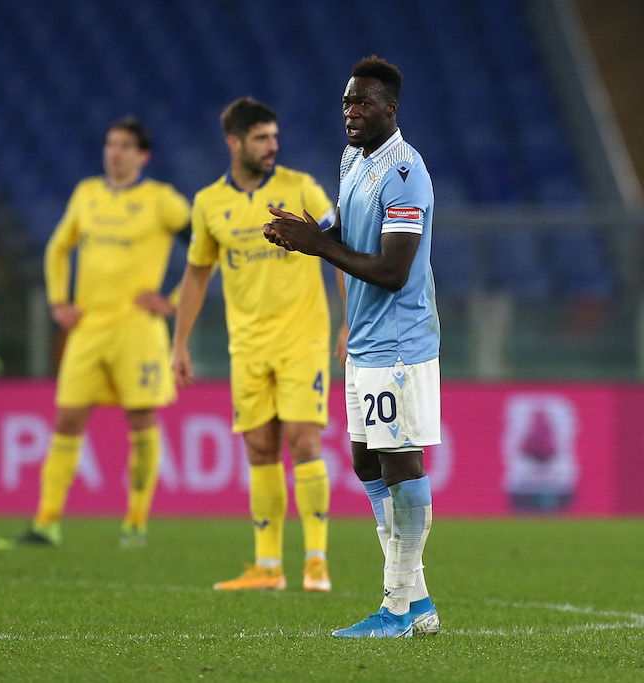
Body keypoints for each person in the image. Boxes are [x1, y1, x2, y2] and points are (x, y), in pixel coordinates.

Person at [264, 56, 441, 638]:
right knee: (366, 461)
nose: (350, 112)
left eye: (363, 103)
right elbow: (347, 227)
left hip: (399, 341)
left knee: (399, 463)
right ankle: (416, 604)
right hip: (364, 342)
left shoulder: (406, 173)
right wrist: (310, 230)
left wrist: (316, 246)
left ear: (391, 108)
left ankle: (396, 605)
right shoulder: (353, 159)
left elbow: (392, 270)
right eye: (346, 102)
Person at [171, 97, 344, 593]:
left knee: (303, 440)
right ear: (234, 142)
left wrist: (347, 322)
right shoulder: (207, 203)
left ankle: (316, 561)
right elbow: (197, 274)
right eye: (262, 138)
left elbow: (339, 244)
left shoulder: (300, 187)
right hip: (246, 345)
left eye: (274, 136)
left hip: (302, 337)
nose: (273, 145)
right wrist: (178, 344)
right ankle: (268, 566)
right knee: (259, 447)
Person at [0, 116, 190, 549]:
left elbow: (204, 246)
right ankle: (45, 523)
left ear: (143, 156)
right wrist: (58, 301)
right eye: (110, 144)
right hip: (88, 327)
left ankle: (136, 523)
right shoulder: (87, 194)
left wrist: (173, 300)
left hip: (137, 330)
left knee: (140, 420)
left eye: (124, 145)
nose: (114, 152)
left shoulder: (162, 200)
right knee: (67, 418)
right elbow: (58, 247)